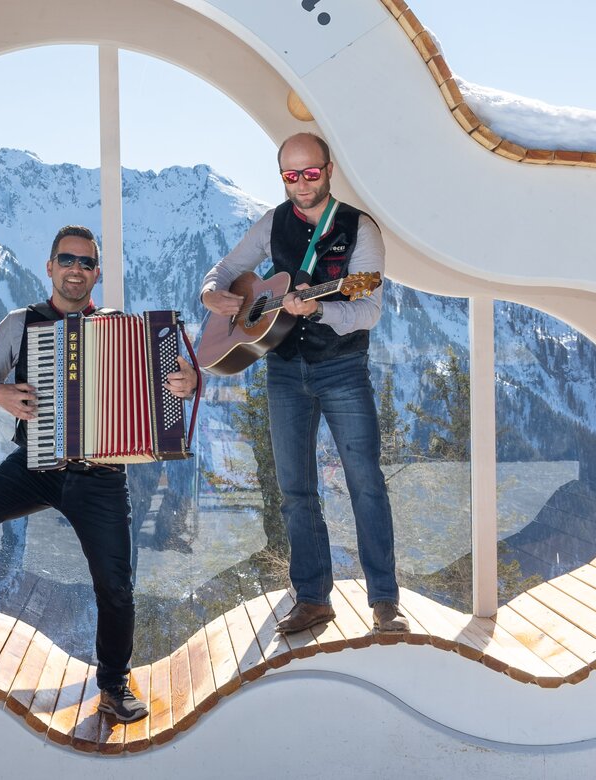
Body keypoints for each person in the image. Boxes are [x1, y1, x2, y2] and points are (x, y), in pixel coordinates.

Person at [0, 226, 197, 724]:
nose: (76, 270)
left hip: (101, 473)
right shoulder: (20, 323)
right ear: (50, 266)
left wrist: (190, 382)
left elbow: (171, 388)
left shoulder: (120, 329)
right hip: (36, 462)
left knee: (115, 582)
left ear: (97, 273)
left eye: (86, 263)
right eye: (67, 259)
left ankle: (113, 684)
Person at [199, 132, 409, 636]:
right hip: (284, 370)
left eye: (309, 173)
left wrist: (320, 307)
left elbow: (368, 310)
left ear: (330, 169)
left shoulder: (360, 230)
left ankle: (385, 603)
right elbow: (227, 269)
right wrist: (212, 292)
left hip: (342, 368)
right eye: (290, 176)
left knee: (365, 483)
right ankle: (313, 599)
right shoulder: (273, 222)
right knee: (295, 490)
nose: (300, 185)